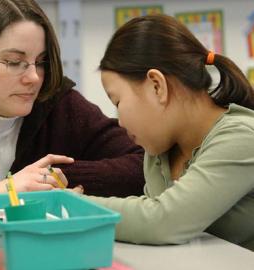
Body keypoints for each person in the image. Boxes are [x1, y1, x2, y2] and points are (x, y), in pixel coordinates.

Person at [0, 0, 145, 225]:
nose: (34, 77)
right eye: (14, 62)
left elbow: (145, 164)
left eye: (40, 62)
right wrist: (4, 191)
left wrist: (49, 179)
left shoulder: (58, 103)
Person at [84, 14, 254, 251]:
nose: (119, 121)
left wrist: (74, 206)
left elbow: (163, 221)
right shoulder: (159, 153)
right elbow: (148, 211)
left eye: (118, 101)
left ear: (157, 86)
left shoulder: (242, 137)